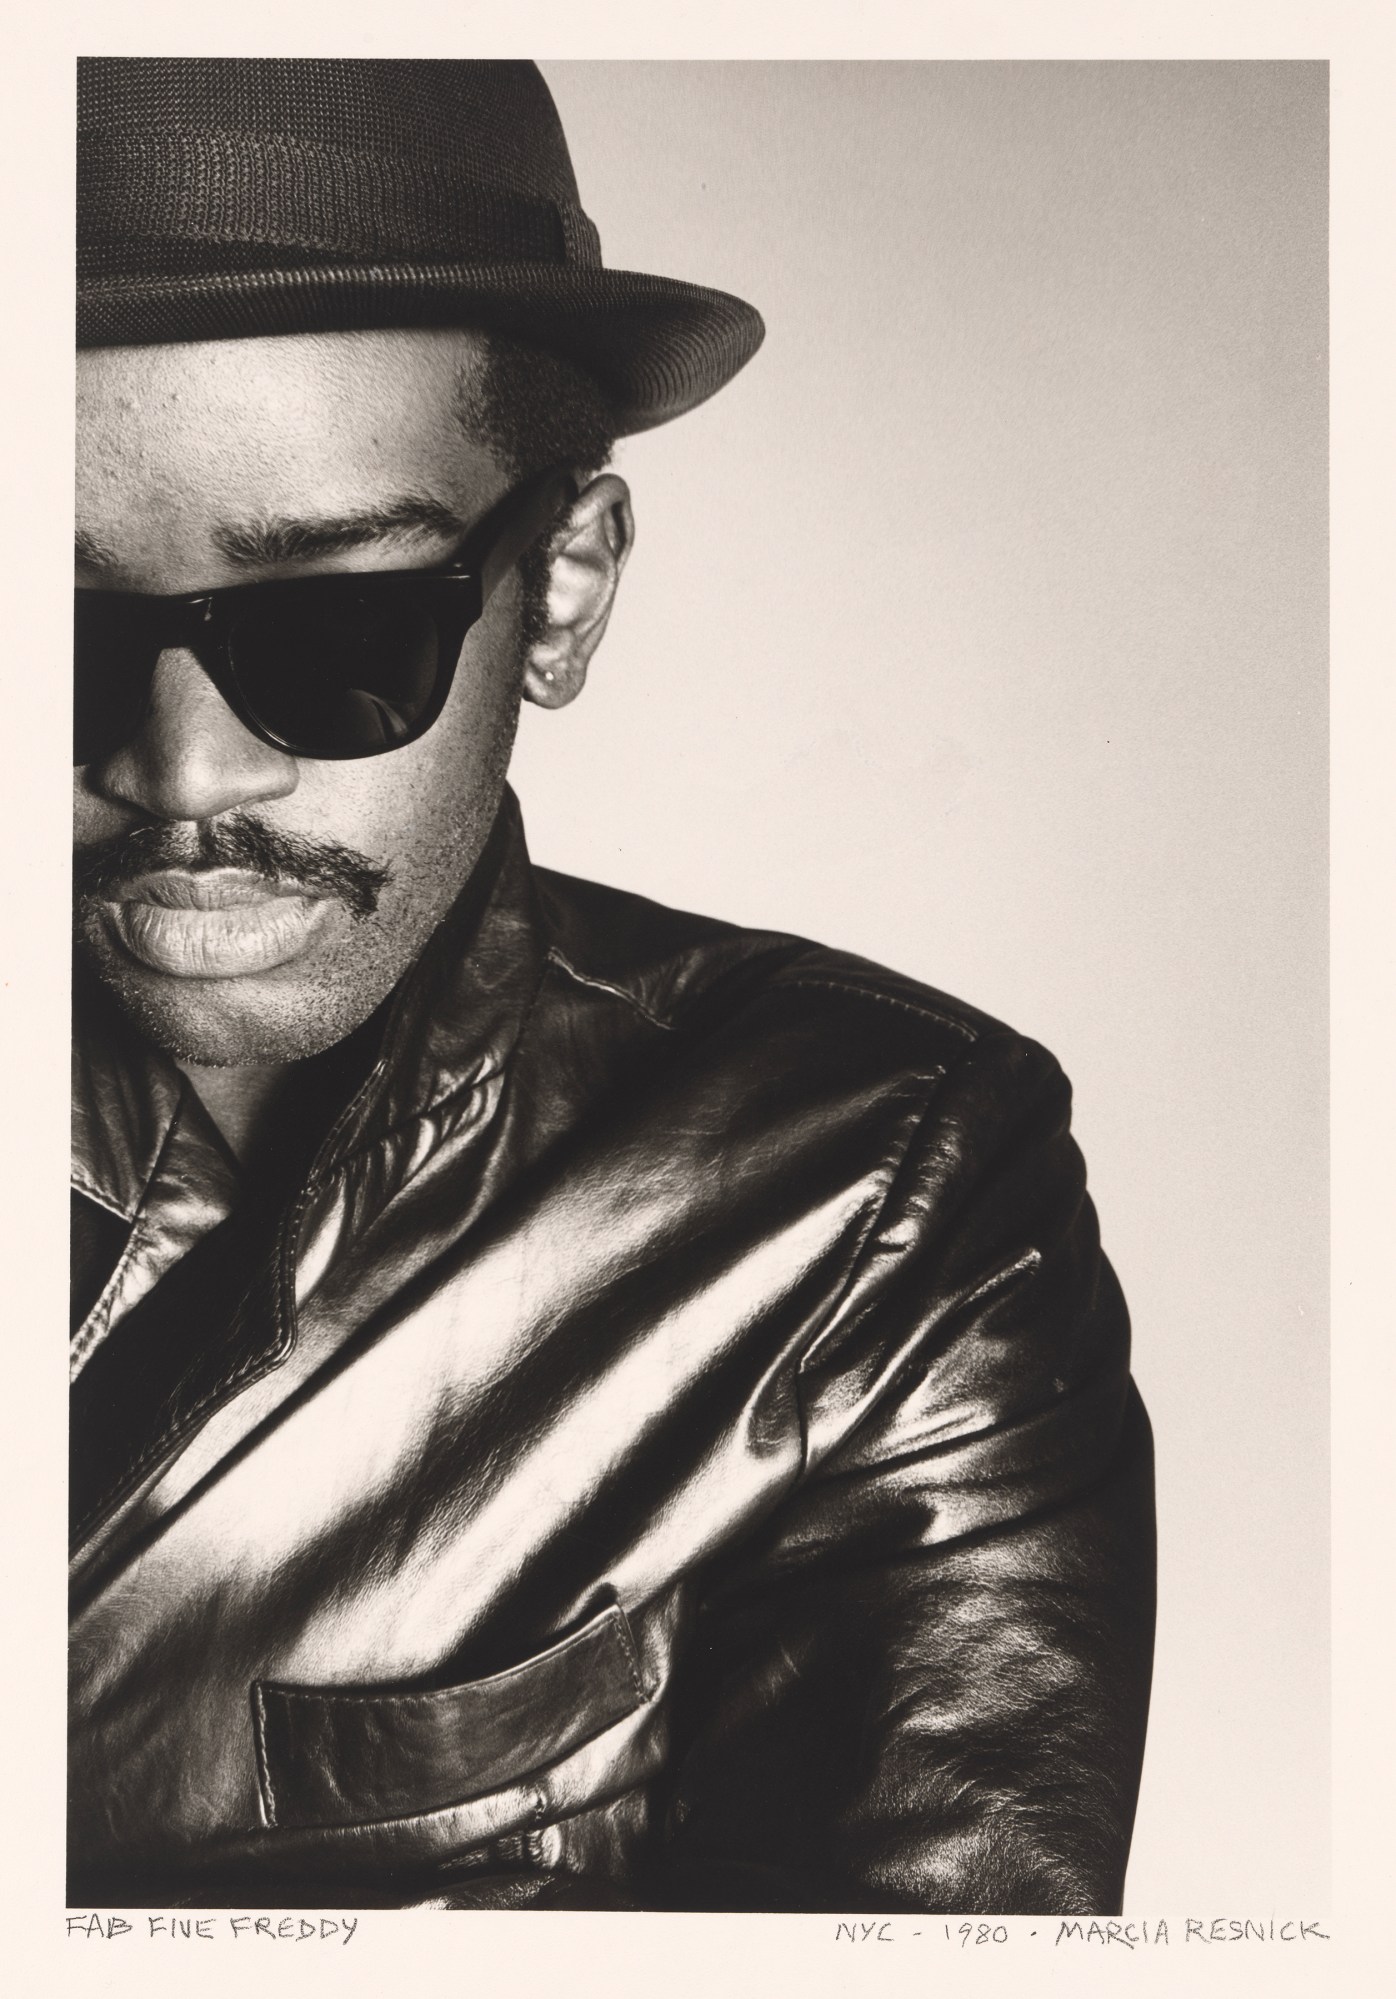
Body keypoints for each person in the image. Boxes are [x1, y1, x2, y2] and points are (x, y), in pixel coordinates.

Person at [70, 57, 1156, 1914]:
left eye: (339, 628)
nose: (181, 776)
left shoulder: (868, 1205)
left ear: (560, 587)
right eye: (45, 625)